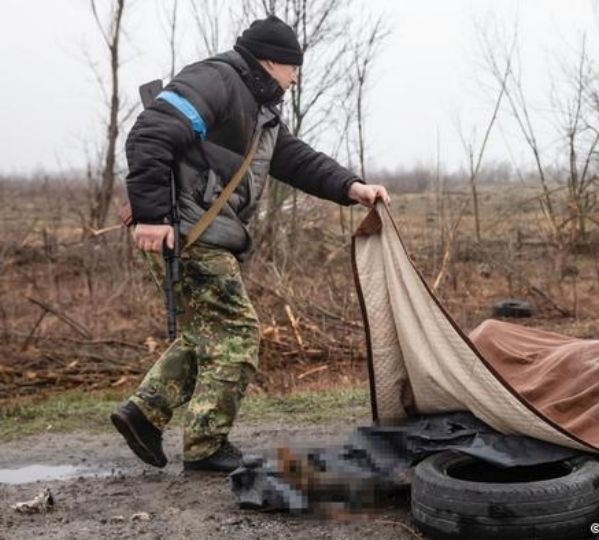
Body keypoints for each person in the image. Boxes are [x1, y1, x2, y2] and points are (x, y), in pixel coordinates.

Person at [110, 15, 390, 473]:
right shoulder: (217, 79)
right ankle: (204, 445)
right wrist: (152, 216)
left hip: (202, 233)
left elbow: (296, 160)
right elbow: (151, 133)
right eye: (293, 68)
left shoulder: (259, 110)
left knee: (209, 332)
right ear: (270, 61)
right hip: (186, 231)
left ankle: (145, 414)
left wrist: (351, 187)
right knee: (237, 331)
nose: (297, 78)